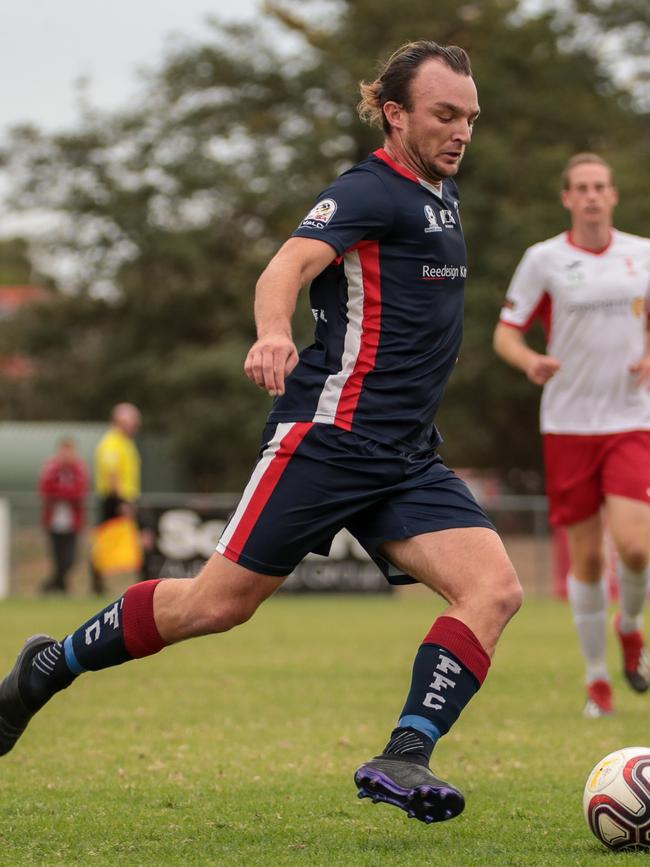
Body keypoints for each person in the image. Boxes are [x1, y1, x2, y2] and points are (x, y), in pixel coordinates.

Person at [0, 41, 522, 825]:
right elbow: (284, 267)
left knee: (497, 589)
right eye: (444, 114)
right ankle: (48, 667)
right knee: (215, 606)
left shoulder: (441, 193)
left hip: (408, 456)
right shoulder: (367, 189)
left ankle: (405, 752)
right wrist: (273, 332)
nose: (461, 131)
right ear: (395, 113)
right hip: (329, 439)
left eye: (470, 118)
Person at [494, 153, 650, 717]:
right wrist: (529, 360)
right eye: (581, 187)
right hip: (567, 425)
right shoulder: (544, 260)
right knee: (585, 562)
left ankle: (630, 626)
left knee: (635, 547)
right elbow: (506, 333)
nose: (591, 196)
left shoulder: (642, 255)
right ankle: (596, 680)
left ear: (613, 195)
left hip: (631, 420)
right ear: (567, 197)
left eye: (600, 186)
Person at [90, 403, 143, 593]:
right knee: (109, 543)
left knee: (122, 543)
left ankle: (113, 584)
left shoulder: (124, 441)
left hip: (124, 499)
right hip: (115, 501)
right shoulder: (112, 442)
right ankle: (102, 584)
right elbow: (112, 474)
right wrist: (121, 502)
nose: (136, 426)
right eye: (132, 422)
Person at [38, 437, 88, 594]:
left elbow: (80, 492)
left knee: (70, 559)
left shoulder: (79, 468)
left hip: (72, 522)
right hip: (54, 521)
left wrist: (62, 494)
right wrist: (65, 493)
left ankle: (52, 585)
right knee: (57, 557)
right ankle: (61, 587)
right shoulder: (51, 468)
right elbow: (46, 490)